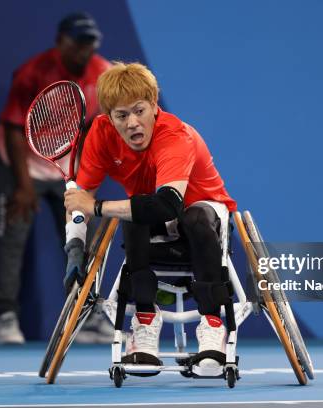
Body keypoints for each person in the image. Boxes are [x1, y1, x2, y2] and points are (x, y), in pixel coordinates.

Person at [63, 62, 237, 367]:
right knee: (135, 212)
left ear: (154, 106)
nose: (132, 123)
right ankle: (144, 320)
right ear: (109, 118)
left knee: (189, 215)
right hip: (152, 216)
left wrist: (99, 208)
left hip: (204, 214)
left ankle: (212, 324)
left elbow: (167, 205)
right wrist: (74, 246)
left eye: (139, 110)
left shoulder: (175, 136)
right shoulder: (101, 135)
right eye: (121, 115)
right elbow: (80, 202)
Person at [0, 12, 110, 344]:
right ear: (61, 42)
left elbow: (92, 130)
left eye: (90, 43)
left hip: (66, 165)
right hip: (20, 163)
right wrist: (24, 186)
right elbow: (14, 129)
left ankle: (86, 316)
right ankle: (5, 318)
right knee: (12, 239)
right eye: (78, 43)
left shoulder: (103, 74)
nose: (85, 51)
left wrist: (83, 177)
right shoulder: (32, 73)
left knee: (81, 237)